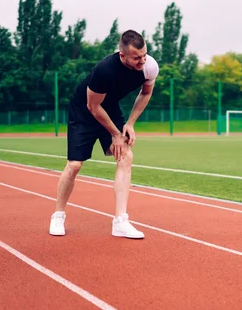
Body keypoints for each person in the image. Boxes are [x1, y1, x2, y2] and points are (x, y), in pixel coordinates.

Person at [49, 30, 159, 239]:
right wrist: (116, 134)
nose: (142, 60)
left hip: (109, 106)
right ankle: (58, 215)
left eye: (144, 54)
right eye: (136, 57)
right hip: (84, 109)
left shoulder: (150, 67)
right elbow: (93, 106)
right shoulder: (104, 70)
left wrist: (130, 123)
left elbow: (146, 93)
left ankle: (120, 222)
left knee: (126, 156)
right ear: (122, 55)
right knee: (75, 165)